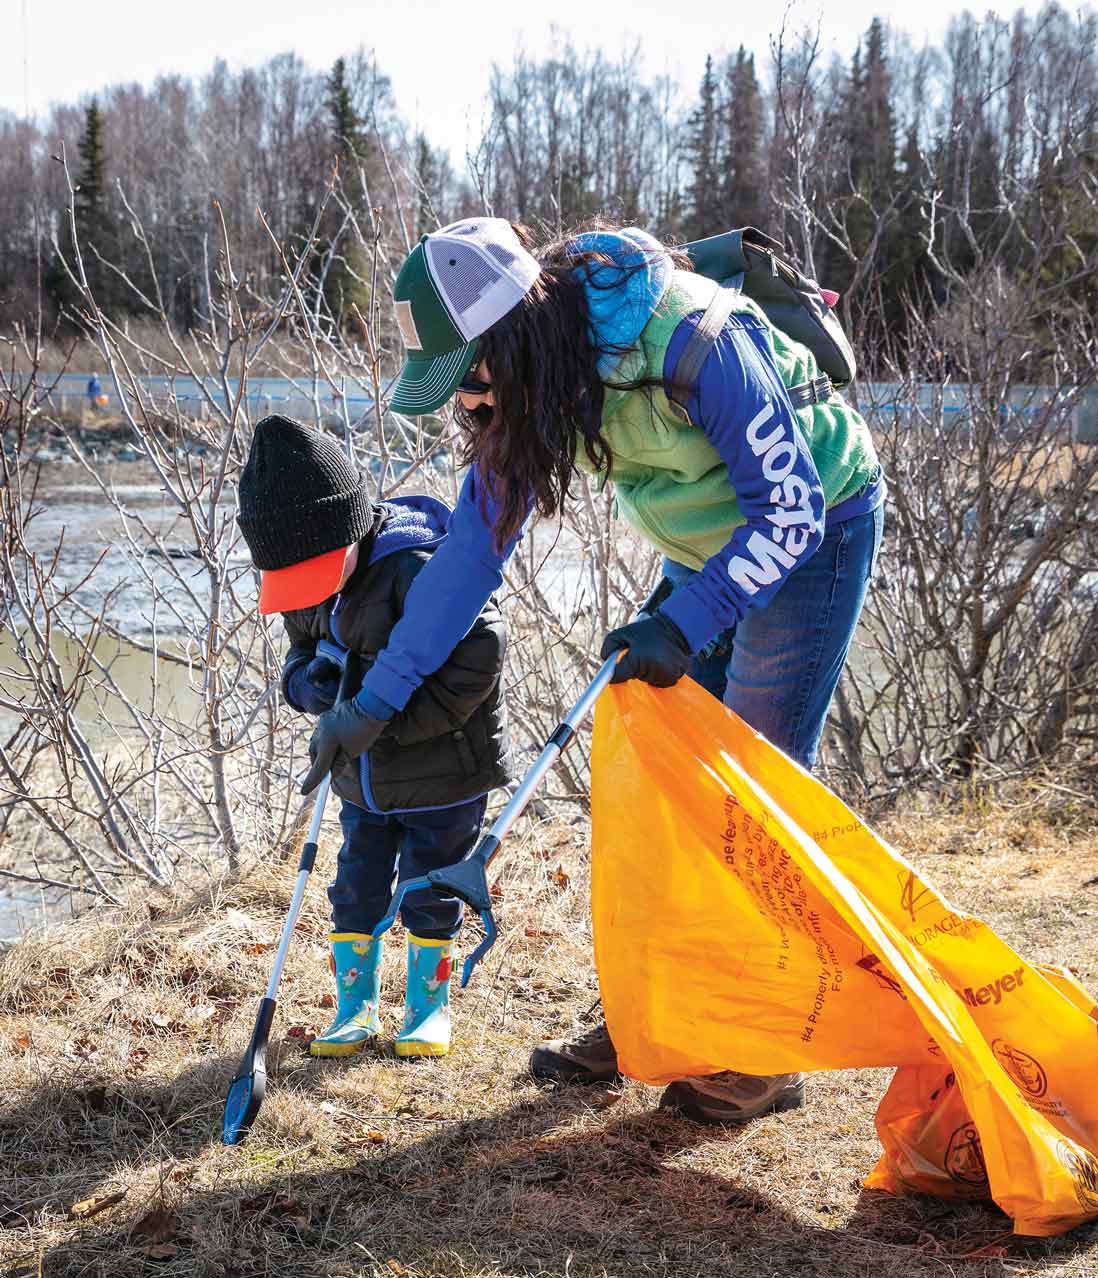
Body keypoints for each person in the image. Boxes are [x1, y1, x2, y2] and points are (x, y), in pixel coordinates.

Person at [310, 216, 884, 1122]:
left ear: (511, 339)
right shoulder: (532, 394)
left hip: (813, 536)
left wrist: (686, 623)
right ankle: (656, 1017)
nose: (465, 405)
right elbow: (466, 561)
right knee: (660, 789)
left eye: (468, 379)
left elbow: (791, 511)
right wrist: (374, 703)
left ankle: (761, 1053)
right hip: (708, 551)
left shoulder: (695, 339)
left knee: (752, 803)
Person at [237, 414, 510, 1059]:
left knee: (430, 885)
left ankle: (426, 1007)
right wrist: (313, 687)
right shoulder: (306, 579)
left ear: (348, 529)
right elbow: (299, 656)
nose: (307, 593)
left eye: (316, 573)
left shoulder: (415, 567)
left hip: (444, 772)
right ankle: (353, 1007)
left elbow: (481, 654)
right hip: (360, 783)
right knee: (354, 884)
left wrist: (380, 722)